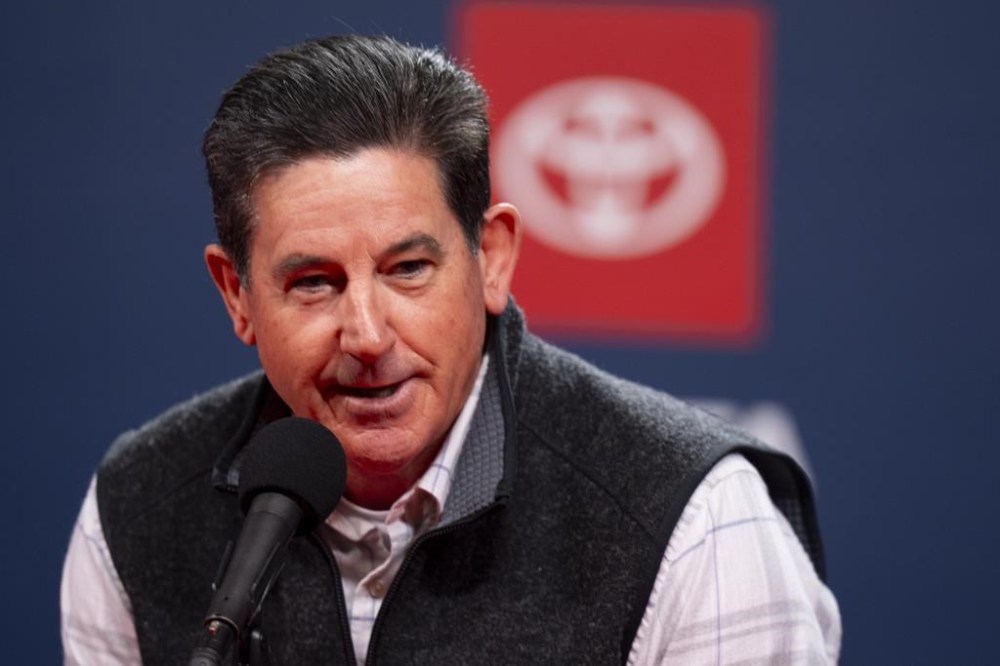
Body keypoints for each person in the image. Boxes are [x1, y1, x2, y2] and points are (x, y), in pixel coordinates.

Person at [61, 34, 841, 664]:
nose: (366, 335)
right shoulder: (139, 507)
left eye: (408, 270)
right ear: (237, 295)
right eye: (313, 283)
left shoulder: (695, 524)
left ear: (492, 258)